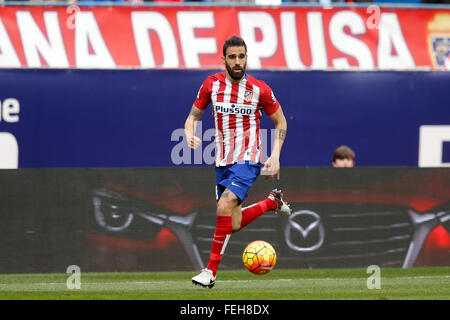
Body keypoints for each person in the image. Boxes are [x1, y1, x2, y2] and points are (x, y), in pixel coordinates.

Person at [185, 35, 292, 288]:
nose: (237, 62)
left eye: (241, 56)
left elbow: (281, 122)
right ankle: (271, 202)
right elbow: (193, 116)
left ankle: (209, 272)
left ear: (246, 57)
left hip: (248, 158)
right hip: (222, 161)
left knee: (223, 207)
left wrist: (274, 155)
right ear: (223, 59)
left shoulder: (260, 89)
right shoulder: (210, 85)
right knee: (230, 223)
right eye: (232, 57)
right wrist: (189, 131)